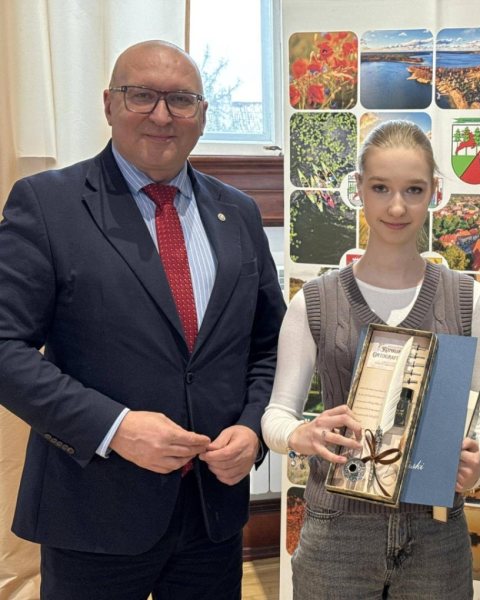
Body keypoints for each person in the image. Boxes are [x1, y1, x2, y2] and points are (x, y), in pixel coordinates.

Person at [0, 40, 285, 599]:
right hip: (94, 514)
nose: (161, 115)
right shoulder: (47, 204)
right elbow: (5, 348)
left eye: (180, 100)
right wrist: (115, 428)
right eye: (141, 96)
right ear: (109, 103)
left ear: (203, 114)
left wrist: (254, 428)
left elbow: (269, 344)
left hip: (213, 513)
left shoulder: (238, 212)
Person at [262, 120, 480, 599]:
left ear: (434, 193)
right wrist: (302, 435)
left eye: (413, 190)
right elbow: (276, 417)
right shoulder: (314, 301)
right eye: (380, 188)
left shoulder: (467, 299)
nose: (396, 207)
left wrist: (479, 462)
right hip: (337, 533)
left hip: (436, 532)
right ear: (359, 191)